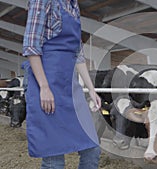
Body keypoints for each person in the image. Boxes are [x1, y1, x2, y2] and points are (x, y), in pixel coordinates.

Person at [22, 0, 102, 168]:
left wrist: (91, 89)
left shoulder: (74, 5)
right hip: (46, 80)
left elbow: (77, 53)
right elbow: (31, 46)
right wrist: (44, 87)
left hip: (68, 82)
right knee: (54, 156)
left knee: (92, 147)